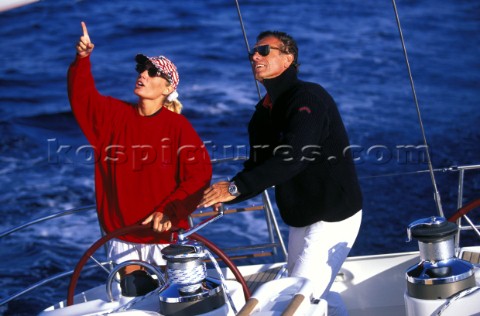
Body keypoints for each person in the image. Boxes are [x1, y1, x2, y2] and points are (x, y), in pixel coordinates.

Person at [199, 30, 362, 315]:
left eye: (264, 50)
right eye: (253, 52)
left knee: (295, 298)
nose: (254, 56)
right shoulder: (262, 114)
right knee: (311, 294)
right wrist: (223, 196)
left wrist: (235, 187)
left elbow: (294, 155)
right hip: (301, 216)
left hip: (333, 214)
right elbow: (258, 168)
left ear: (288, 59)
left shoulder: (309, 97)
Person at [69, 22, 212, 296]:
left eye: (152, 72)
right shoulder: (113, 116)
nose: (143, 75)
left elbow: (199, 175)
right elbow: (81, 98)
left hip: (166, 235)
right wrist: (82, 59)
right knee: (138, 297)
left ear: (167, 87)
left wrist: (169, 211)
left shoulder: (178, 127)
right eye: (141, 70)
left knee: (179, 301)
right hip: (123, 235)